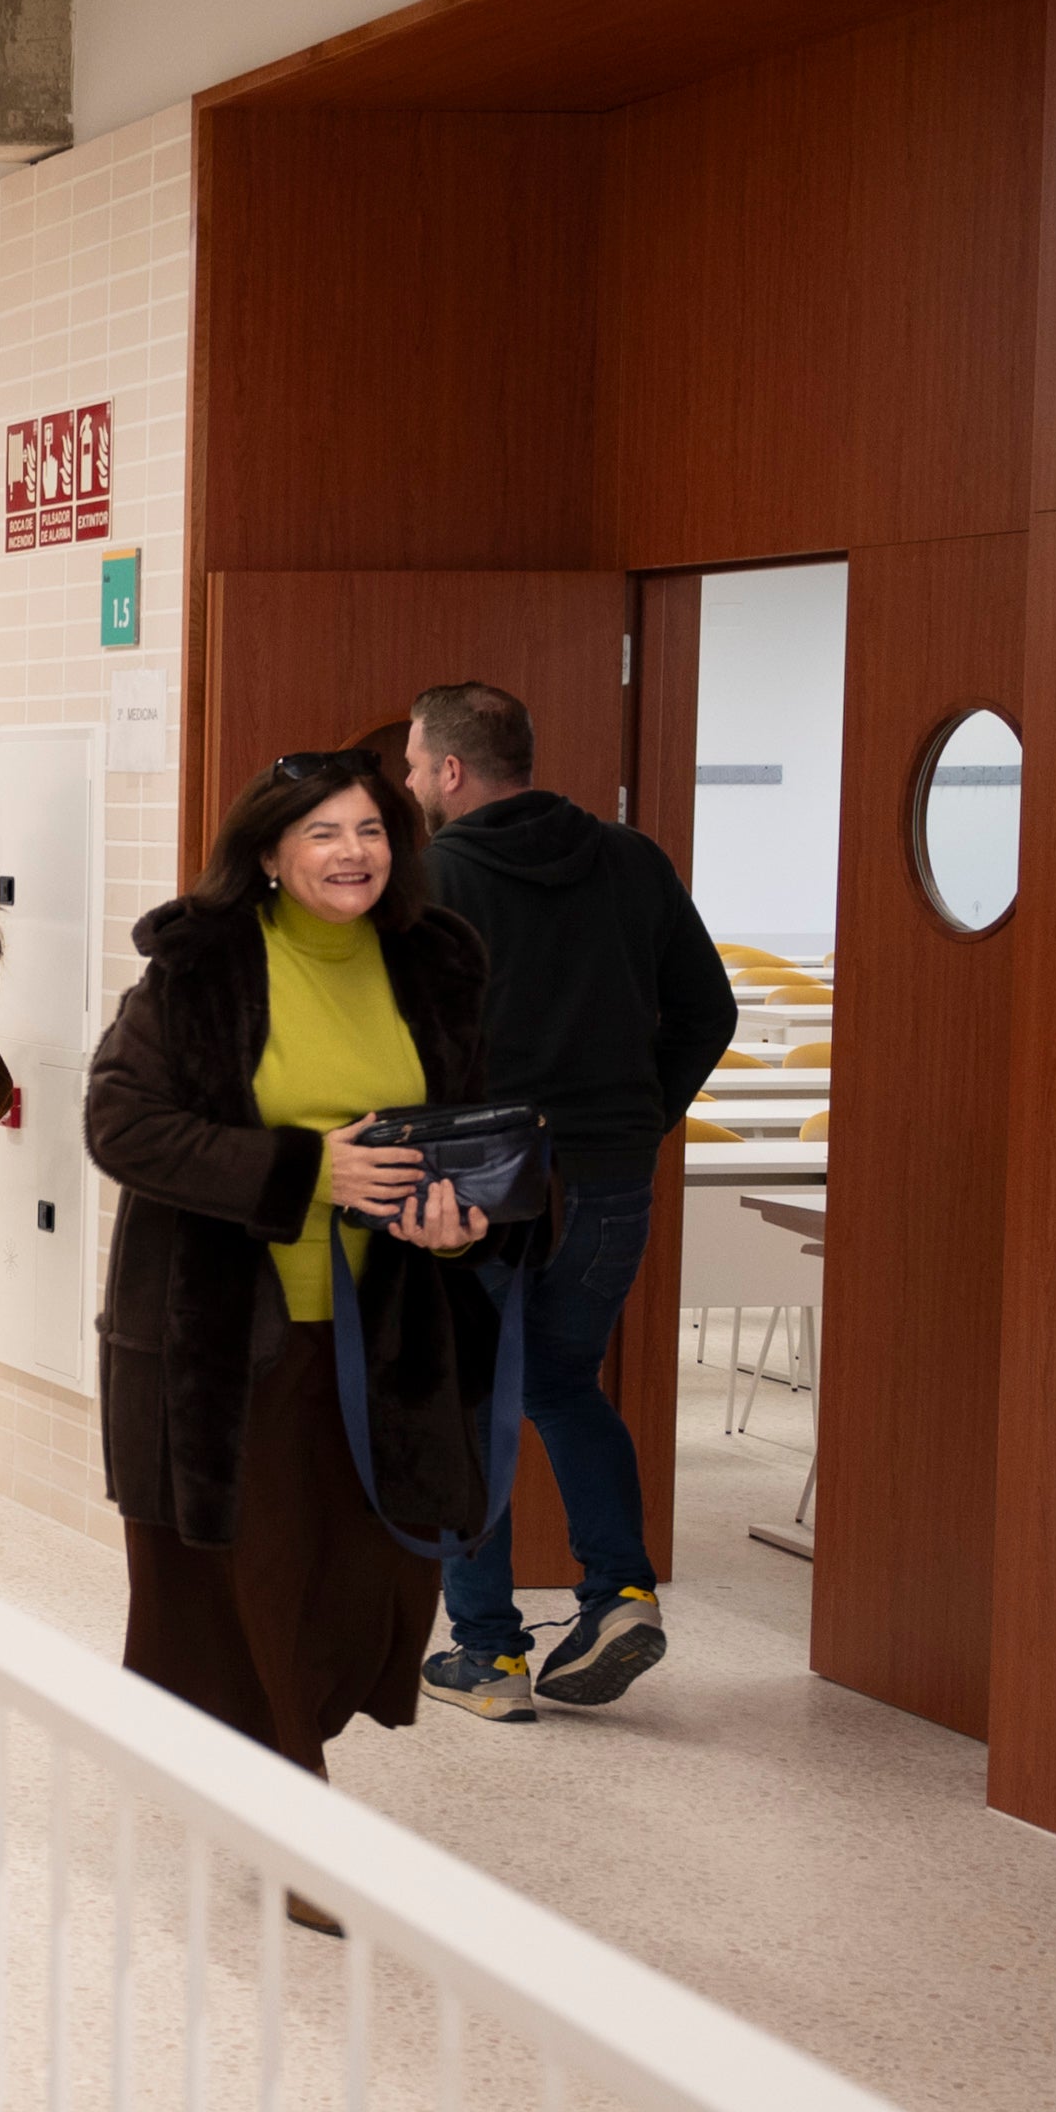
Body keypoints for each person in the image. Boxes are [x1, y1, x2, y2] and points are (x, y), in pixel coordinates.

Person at [85, 750, 518, 1921]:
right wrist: (306, 1168)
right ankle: (299, 1818)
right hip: (228, 1339)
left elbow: (473, 1123)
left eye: (370, 829)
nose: (352, 852)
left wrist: (462, 1217)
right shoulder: (203, 965)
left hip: (386, 1334)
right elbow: (120, 1125)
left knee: (362, 1578)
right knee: (253, 1577)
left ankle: (273, 1766)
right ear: (270, 852)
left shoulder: (434, 965)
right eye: (322, 832)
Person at [406, 681, 736, 1720]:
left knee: (469, 1400)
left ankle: (490, 1654)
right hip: (609, 1173)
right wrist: (641, 1114)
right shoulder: (631, 859)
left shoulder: (435, 876)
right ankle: (619, 1592)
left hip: (483, 1176)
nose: (410, 782)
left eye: (415, 765)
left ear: (452, 770)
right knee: (561, 1383)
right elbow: (708, 1008)